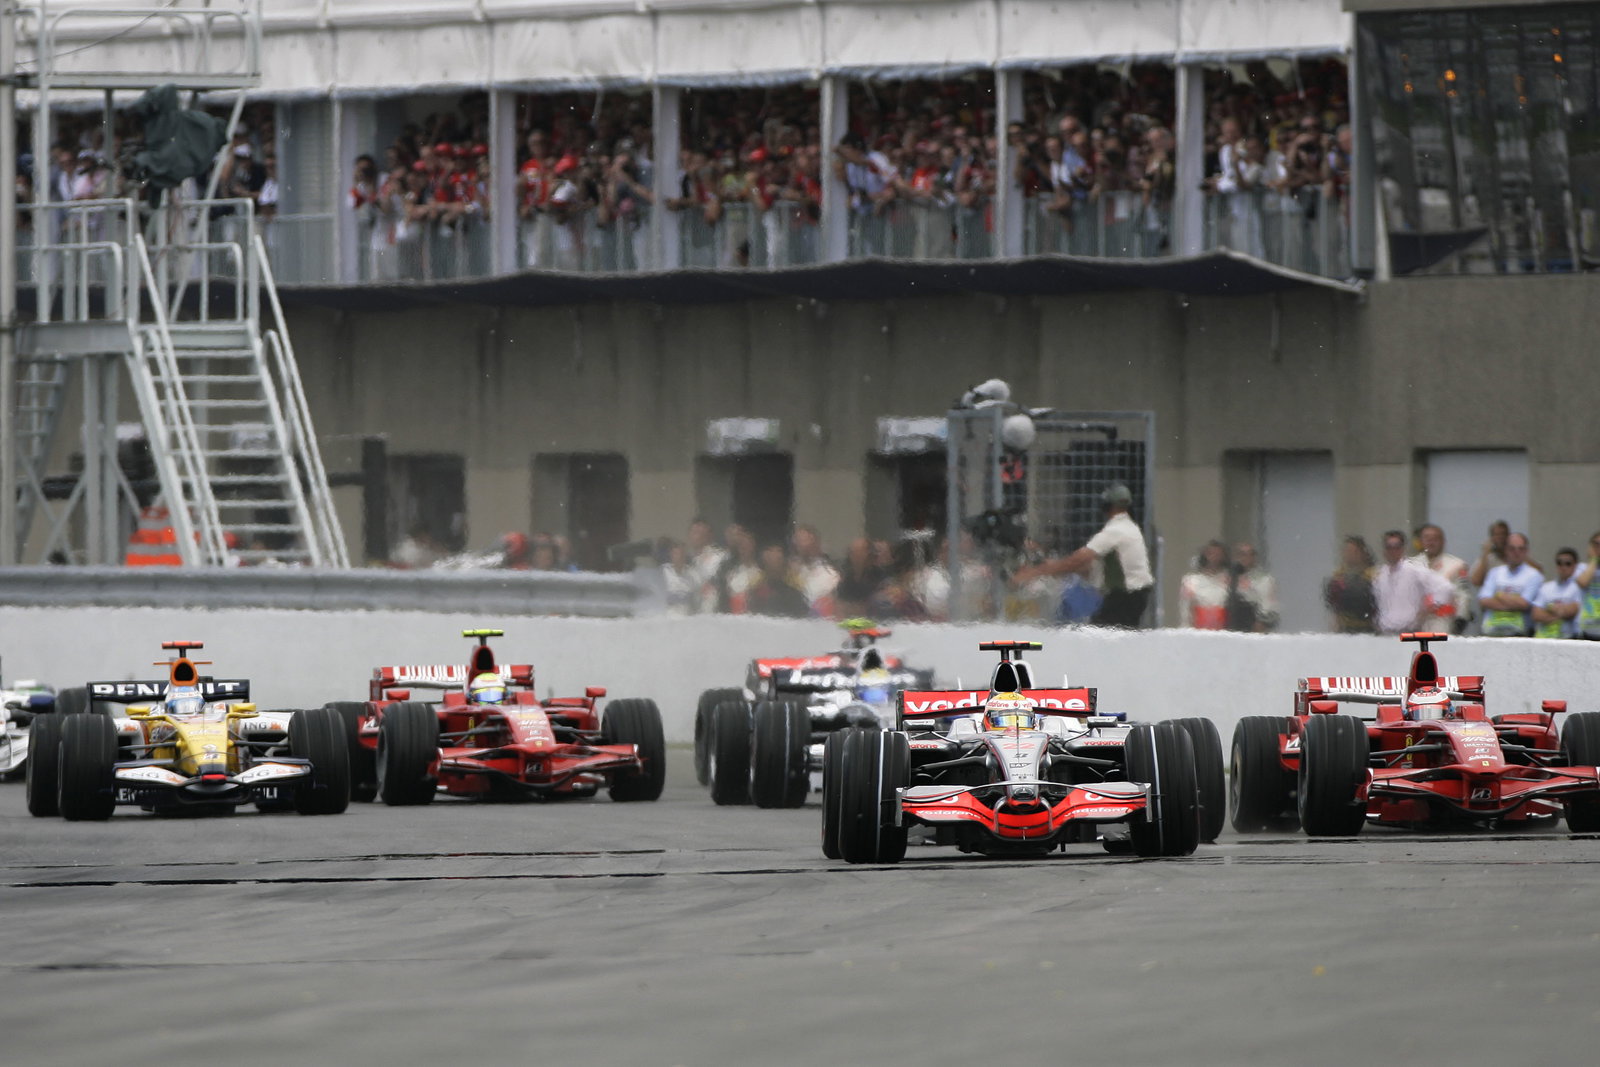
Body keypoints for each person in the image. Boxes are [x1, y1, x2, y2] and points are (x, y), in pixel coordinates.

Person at [1009, 484, 1153, 629]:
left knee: (1097, 636)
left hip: (1125, 596)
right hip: (1135, 594)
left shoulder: (1114, 531)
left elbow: (1077, 560)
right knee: (1109, 635)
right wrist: (1054, 566)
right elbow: (1088, 567)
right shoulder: (1129, 527)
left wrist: (1033, 573)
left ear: (1107, 505)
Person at [1372, 529, 1450, 635]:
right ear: (1384, 550)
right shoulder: (1381, 574)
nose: (1392, 551)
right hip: (1386, 631)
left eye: (1396, 547)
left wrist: (1431, 606)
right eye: (1389, 547)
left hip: (1409, 630)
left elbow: (1445, 587)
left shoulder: (1414, 570)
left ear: (1402, 549)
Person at [1478, 532, 1544, 637]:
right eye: (1512, 549)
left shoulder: (1534, 575)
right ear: (1506, 550)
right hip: (1491, 631)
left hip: (1519, 633)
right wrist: (1514, 602)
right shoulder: (1494, 573)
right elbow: (1484, 601)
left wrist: (1499, 596)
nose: (1516, 552)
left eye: (1520, 549)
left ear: (1526, 551)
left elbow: (1524, 604)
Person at [1410, 523, 1472, 634]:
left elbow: (1462, 595)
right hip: (1416, 623)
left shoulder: (1457, 565)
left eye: (1435, 539)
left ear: (1443, 541)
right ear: (1421, 541)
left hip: (1443, 623)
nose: (1431, 542)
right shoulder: (1410, 565)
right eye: (1427, 538)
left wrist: (1460, 619)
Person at [1324, 536, 1376, 634]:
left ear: (1362, 553)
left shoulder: (1372, 576)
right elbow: (1335, 606)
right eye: (1347, 551)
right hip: (1345, 627)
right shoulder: (1338, 577)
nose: (1349, 554)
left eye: (1353, 551)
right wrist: (1335, 624)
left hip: (1368, 626)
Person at [745, 544, 811, 618]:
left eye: (778, 559)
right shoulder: (755, 594)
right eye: (770, 560)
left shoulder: (794, 595)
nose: (773, 563)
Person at [1531, 548, 1584, 639]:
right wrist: (1559, 613)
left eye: (1568, 564)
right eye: (1559, 563)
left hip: (1568, 637)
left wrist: (1549, 608)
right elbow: (1536, 614)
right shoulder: (1546, 587)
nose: (1563, 567)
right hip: (1545, 638)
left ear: (1575, 565)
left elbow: (1571, 611)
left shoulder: (1578, 588)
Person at [1178, 541, 1232, 629]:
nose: (1214, 558)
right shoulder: (1190, 581)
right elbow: (1185, 611)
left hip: (1223, 631)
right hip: (1198, 630)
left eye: (1218, 554)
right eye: (1211, 553)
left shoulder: (1230, 581)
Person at [1229, 542, 1279, 632]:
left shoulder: (1264, 579)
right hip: (1233, 626)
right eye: (1242, 554)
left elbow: (1268, 605)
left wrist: (1262, 623)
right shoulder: (1230, 577)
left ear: (1255, 557)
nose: (1246, 558)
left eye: (1250, 554)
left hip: (1253, 625)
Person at [1577, 531, 1600, 640]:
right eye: (1596, 544)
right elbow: (1583, 582)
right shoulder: (1582, 568)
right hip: (1588, 627)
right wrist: (1594, 559)